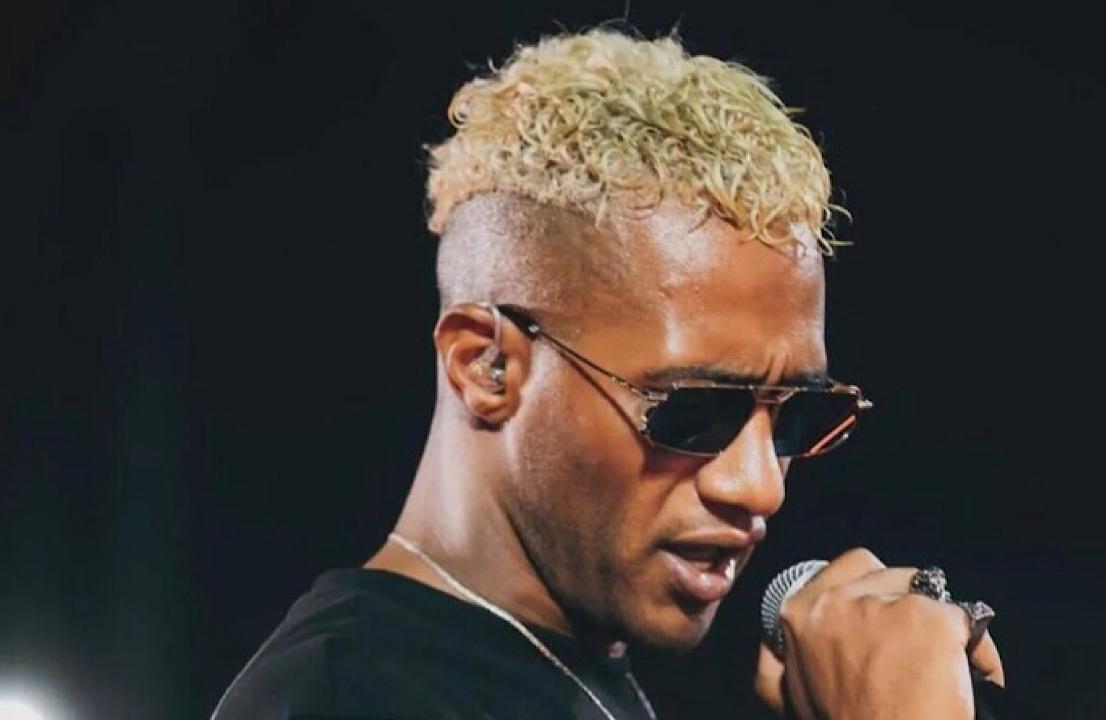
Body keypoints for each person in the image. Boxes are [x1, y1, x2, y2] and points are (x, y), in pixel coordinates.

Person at [212, 28, 1004, 720]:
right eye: (695, 411)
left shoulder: (560, 671)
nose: (761, 488)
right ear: (487, 365)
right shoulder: (347, 699)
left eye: (794, 417)